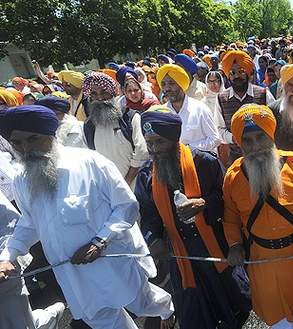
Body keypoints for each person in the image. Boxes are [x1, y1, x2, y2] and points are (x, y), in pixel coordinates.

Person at [0, 105, 176, 329]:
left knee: (142, 302)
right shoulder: (22, 179)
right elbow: (29, 223)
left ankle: (166, 309)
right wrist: (8, 256)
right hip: (72, 274)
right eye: (17, 143)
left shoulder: (90, 163)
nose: (25, 148)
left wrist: (100, 241)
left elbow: (126, 206)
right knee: (103, 320)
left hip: (111, 261)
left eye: (32, 139)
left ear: (50, 134)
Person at [223, 104, 293, 329]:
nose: (255, 146)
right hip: (263, 261)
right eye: (247, 140)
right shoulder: (233, 177)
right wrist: (235, 244)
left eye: (260, 137)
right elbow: (230, 216)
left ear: (271, 135)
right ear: (239, 142)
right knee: (279, 321)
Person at [135, 107, 251, 329]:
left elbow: (229, 203)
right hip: (179, 254)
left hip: (213, 247)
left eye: (159, 142)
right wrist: (153, 239)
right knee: (194, 315)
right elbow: (148, 216)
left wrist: (204, 205)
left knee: (232, 309)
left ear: (174, 138)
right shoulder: (146, 175)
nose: (153, 149)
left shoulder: (205, 163)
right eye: (149, 143)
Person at [0, 190, 66, 329]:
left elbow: (10, 226)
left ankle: (51, 316)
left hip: (4, 276)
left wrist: (4, 260)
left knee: (19, 325)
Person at [81, 71, 149, 188]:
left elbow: (142, 152)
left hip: (137, 185)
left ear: (113, 92)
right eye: (94, 94)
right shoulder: (89, 126)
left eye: (104, 92)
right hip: (110, 188)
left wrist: (126, 182)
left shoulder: (130, 118)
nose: (100, 98)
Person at [216, 50, 275, 166]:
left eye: (241, 71)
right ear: (228, 76)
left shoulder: (263, 94)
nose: (237, 76)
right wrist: (234, 138)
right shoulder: (221, 98)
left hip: (264, 157)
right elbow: (218, 129)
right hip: (236, 160)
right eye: (232, 73)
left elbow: (274, 123)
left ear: (248, 73)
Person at [157, 64, 221, 153]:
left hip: (199, 163)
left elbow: (215, 139)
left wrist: (188, 149)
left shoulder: (200, 108)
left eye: (171, 83)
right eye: (163, 84)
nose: (167, 88)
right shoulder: (161, 113)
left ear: (181, 84)